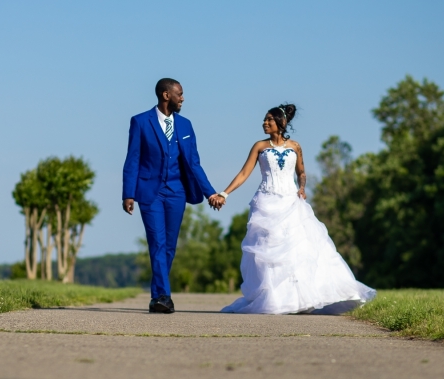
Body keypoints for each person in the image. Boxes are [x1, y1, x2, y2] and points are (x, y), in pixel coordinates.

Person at [212, 104, 376, 314]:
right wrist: (224, 193)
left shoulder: (296, 147)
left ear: (281, 123)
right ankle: (275, 298)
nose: (265, 122)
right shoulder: (259, 147)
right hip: (266, 202)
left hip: (290, 202)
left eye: (269, 119)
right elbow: (244, 173)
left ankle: (300, 298)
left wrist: (302, 188)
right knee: (268, 251)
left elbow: (302, 172)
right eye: (264, 119)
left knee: (297, 250)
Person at [122, 78, 221, 313]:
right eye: (180, 94)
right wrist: (128, 193)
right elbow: (133, 159)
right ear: (166, 95)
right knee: (157, 243)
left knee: (169, 247)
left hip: (177, 192)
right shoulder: (140, 122)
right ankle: (164, 296)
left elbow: (195, 163)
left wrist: (210, 193)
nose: (183, 98)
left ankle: (156, 295)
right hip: (150, 192)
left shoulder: (186, 125)